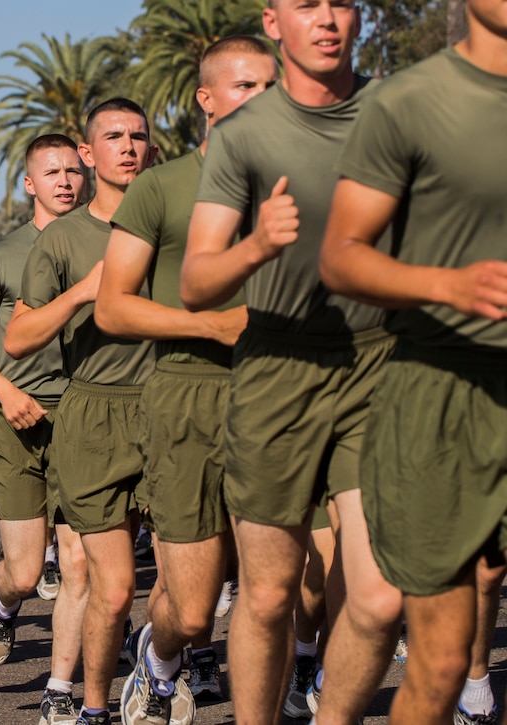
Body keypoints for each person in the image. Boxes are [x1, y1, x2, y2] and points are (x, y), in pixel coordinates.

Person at [180, 1, 403, 722]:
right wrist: (257, 246)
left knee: (378, 597)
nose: (328, 18)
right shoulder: (244, 135)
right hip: (278, 364)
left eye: (342, 3)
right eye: (308, 5)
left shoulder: (398, 113)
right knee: (272, 594)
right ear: (276, 22)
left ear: (363, 19)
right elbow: (195, 282)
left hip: (379, 364)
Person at [318, 3, 507, 721]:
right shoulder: (410, 101)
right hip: (441, 388)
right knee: (442, 661)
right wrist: (446, 283)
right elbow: (340, 254)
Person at [94, 37, 276, 724]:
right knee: (194, 609)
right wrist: (213, 326)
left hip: (283, 391)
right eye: (245, 87)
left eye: (271, 87)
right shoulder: (161, 187)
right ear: (206, 98)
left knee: (288, 588)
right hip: (188, 394)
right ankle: (161, 658)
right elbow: (113, 305)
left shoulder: (302, 183)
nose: (263, 101)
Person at [3, 99, 155, 725]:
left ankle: (163, 662)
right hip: (93, 414)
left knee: (194, 602)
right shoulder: (61, 238)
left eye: (139, 136)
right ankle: (91, 705)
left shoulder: (176, 221)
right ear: (89, 154)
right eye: (113, 136)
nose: (128, 146)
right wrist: (82, 292)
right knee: (112, 586)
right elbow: (17, 338)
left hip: (172, 411)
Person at [0, 133, 89, 723]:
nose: (64, 180)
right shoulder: (2, 254)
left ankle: (59, 690)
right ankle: (2, 605)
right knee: (27, 571)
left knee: (78, 565)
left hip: (85, 417)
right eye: (50, 172)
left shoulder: (114, 245)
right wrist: (6, 392)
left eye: (73, 171)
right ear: (29, 183)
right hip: (15, 420)